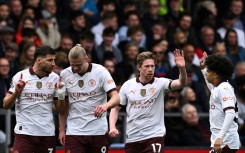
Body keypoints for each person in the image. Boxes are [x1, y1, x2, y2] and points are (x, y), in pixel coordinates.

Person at [109, 49, 187, 153]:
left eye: (152, 66)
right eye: (147, 66)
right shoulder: (128, 85)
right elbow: (115, 108)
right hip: (133, 138)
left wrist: (182, 68)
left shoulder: (161, 83)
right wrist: (112, 127)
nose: (150, 69)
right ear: (139, 67)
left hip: (154, 136)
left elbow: (181, 83)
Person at [3, 45, 66, 153]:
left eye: (54, 60)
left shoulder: (55, 78)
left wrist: (60, 94)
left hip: (46, 134)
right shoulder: (20, 76)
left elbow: (60, 110)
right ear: (39, 60)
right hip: (24, 133)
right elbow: (5, 105)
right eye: (50, 60)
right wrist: (16, 93)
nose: (53, 64)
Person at [59, 44, 120, 153]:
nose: (75, 68)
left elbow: (116, 97)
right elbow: (64, 107)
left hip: (98, 131)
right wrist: (62, 130)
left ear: (86, 59)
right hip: (74, 132)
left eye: (78, 65)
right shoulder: (64, 74)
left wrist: (105, 106)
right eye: (72, 65)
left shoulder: (100, 72)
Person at [200, 52, 240, 153]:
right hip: (221, 140)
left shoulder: (224, 88)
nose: (206, 73)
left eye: (208, 71)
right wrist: (203, 68)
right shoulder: (218, 88)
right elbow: (211, 89)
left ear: (216, 75)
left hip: (226, 141)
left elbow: (230, 113)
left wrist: (220, 137)